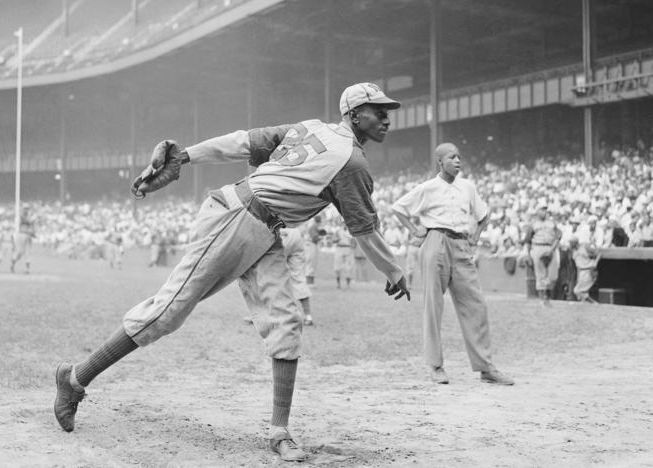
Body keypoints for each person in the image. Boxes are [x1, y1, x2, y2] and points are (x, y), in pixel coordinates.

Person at [52, 82, 410, 462]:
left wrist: (185, 156)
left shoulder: (309, 128)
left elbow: (242, 142)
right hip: (236, 218)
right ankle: (74, 379)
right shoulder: (350, 162)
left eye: (387, 109)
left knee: (287, 322)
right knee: (167, 312)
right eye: (377, 109)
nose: (387, 116)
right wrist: (393, 271)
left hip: (265, 229)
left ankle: (279, 431)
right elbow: (365, 231)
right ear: (354, 114)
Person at [391, 142, 513, 386]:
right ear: (440, 162)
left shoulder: (467, 187)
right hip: (436, 240)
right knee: (433, 306)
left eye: (459, 157)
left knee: (476, 305)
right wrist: (415, 229)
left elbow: (483, 214)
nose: (458, 161)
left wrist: (477, 234)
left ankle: (485, 367)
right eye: (452, 157)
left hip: (461, 244)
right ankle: (436, 366)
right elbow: (399, 208)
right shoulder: (428, 187)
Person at [524, 202, 561, 306]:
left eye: (545, 209)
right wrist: (528, 254)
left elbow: (558, 236)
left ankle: (547, 297)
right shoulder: (533, 224)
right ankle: (543, 299)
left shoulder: (552, 223)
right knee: (540, 274)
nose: (544, 212)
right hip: (538, 247)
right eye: (542, 209)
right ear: (537, 211)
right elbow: (528, 240)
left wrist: (552, 249)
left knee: (552, 275)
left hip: (550, 247)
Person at [570, 236, 600, 303]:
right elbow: (577, 264)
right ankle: (588, 305)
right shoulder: (573, 251)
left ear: (575, 243)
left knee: (577, 291)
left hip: (588, 270)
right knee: (582, 293)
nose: (570, 244)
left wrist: (595, 263)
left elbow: (598, 253)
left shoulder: (584, 246)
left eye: (571, 243)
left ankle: (593, 302)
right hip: (581, 272)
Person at [11, 206, 35, 274]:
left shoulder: (28, 216)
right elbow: (26, 222)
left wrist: (33, 233)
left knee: (28, 253)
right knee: (19, 252)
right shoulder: (21, 216)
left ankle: (27, 269)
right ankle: (12, 265)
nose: (26, 210)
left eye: (27, 208)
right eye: (25, 209)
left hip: (27, 236)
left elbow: (31, 227)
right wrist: (31, 219)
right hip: (21, 235)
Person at [304, 215, 326, 284]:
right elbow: (314, 238)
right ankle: (309, 282)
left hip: (312, 245)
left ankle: (310, 282)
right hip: (311, 244)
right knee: (311, 263)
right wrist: (321, 237)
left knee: (312, 263)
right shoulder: (313, 226)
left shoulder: (315, 226)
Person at [332, 224, 355, 289]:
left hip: (348, 248)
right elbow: (333, 240)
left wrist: (353, 244)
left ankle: (348, 285)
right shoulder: (338, 231)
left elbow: (355, 241)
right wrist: (337, 239)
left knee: (349, 267)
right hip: (339, 248)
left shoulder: (351, 230)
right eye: (343, 223)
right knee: (337, 267)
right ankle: (338, 284)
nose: (345, 224)